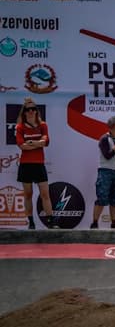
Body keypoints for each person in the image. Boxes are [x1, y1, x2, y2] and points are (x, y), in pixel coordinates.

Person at [15, 97, 57, 229]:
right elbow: (22, 146)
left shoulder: (43, 125)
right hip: (26, 165)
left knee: (45, 193)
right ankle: (31, 222)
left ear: (37, 111)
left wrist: (33, 143)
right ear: (24, 112)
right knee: (28, 194)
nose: (31, 111)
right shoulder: (20, 127)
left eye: (33, 109)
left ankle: (51, 221)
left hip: (39, 164)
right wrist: (38, 144)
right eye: (28, 109)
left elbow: (46, 142)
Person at [91, 115, 115, 229]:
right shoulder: (104, 139)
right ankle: (95, 223)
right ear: (113, 126)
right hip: (106, 171)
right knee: (102, 197)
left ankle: (114, 222)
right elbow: (107, 155)